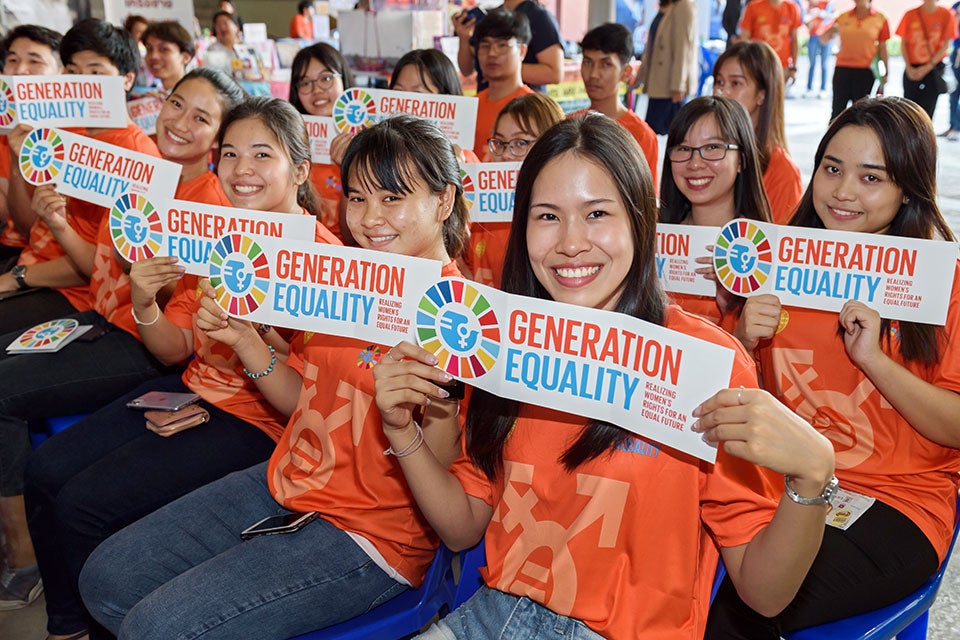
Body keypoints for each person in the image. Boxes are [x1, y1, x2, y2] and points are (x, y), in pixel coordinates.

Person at [374, 113, 835, 639]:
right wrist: (400, 430)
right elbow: (462, 530)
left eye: (597, 214)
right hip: (492, 615)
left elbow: (764, 592)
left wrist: (812, 477)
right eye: (547, 216)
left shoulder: (704, 362)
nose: (570, 243)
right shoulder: (499, 339)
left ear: (641, 219)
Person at [78, 115, 469, 640]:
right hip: (288, 483)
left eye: (392, 198)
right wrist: (247, 342)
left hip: (370, 536)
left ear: (442, 203)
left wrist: (414, 416)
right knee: (106, 578)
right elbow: (300, 398)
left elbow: (447, 489)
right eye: (357, 198)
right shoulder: (349, 284)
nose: (370, 219)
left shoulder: (460, 323)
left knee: (155, 627)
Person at [22, 96, 338, 640]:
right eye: (231, 154)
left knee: (83, 507)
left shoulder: (325, 261)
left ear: (300, 170)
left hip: (263, 425)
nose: (242, 170)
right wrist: (144, 302)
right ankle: (69, 624)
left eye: (262, 154)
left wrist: (257, 342)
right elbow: (173, 349)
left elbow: (323, 392)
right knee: (46, 467)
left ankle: (86, 626)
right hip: (190, 391)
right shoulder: (218, 240)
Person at [705, 96, 960, 638]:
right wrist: (741, 339)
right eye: (832, 168)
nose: (843, 192)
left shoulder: (945, 284)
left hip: (896, 501)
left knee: (745, 612)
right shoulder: (773, 261)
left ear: (908, 189)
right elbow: (726, 402)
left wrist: (873, 360)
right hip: (774, 482)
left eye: (872, 177)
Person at [0, 17, 146, 335]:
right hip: (30, 266)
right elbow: (27, 226)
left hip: (79, 298)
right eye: (73, 72)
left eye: (95, 73)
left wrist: (17, 277)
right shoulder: (58, 133)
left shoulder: (137, 157)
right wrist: (16, 156)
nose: (83, 84)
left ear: (126, 79)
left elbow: (107, 266)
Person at [659, 96, 773, 333]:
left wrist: (730, 308)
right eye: (683, 148)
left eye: (713, 147)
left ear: (742, 160)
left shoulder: (768, 255)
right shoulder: (652, 241)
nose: (695, 163)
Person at [465, 92, 563, 288]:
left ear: (551, 146)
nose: (507, 155)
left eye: (520, 143)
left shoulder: (560, 217)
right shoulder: (477, 208)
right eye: (500, 143)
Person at [713, 41, 802, 224]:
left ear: (762, 94)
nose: (721, 91)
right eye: (719, 82)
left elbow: (778, 246)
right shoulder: (702, 151)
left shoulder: (782, 171)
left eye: (736, 83)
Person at [0, 25, 61, 273]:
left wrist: (17, 163)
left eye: (35, 61)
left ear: (63, 73)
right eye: (12, 60)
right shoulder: (5, 124)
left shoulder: (70, 139)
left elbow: (28, 227)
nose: (20, 70)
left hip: (36, 261)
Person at [572, 22, 658, 180]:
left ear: (626, 73)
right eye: (588, 62)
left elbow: (647, 200)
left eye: (606, 64)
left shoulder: (641, 135)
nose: (593, 74)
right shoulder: (569, 125)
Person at [288, 42, 354, 240]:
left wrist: (351, 167)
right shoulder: (286, 142)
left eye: (326, 78)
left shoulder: (366, 139)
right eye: (306, 82)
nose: (317, 90)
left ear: (344, 79)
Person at [388, 48, 480, 163]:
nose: (404, 104)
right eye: (398, 91)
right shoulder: (376, 152)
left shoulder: (465, 159)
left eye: (417, 94)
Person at [453, 0, 563, 93]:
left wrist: (501, 67)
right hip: (488, 99)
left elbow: (555, 73)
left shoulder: (539, 17)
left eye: (502, 45)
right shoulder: (491, 16)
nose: (492, 53)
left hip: (523, 106)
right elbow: (466, 70)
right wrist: (464, 38)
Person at [471, 8, 536, 159]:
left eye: (502, 45)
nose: (492, 53)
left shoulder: (535, 110)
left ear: (522, 51)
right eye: (485, 45)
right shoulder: (470, 106)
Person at [819, 0, 890, 120]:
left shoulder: (880, 18)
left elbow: (882, 48)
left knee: (860, 113)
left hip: (865, 71)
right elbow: (823, 39)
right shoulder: (843, 17)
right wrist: (831, 31)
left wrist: (885, 72)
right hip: (843, 68)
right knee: (837, 111)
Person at [638, 0, 699, 135]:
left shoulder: (683, 6)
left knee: (674, 135)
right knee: (652, 133)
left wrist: (678, 86)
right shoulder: (666, 6)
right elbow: (651, 48)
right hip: (658, 82)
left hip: (671, 86)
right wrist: (639, 78)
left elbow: (683, 49)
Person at [897, 0, 958, 119]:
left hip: (933, 69)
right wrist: (909, 68)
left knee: (927, 111)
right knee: (908, 110)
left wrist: (927, 67)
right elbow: (903, 43)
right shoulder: (910, 14)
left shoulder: (946, 14)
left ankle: (925, 136)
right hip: (912, 68)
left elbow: (946, 45)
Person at [739, 0, 802, 82]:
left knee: (778, 94)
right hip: (757, 65)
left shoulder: (792, 8)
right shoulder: (753, 7)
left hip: (782, 66)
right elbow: (744, 39)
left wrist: (793, 68)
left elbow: (795, 40)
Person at [141, 21, 196, 95]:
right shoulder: (157, 98)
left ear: (185, 57)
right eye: (149, 49)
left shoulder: (196, 97)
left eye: (164, 49)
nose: (153, 56)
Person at [804, 1, 834, 98]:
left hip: (826, 36)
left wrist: (821, 13)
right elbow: (805, 20)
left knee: (824, 64)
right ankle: (809, 88)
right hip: (813, 36)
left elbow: (833, 17)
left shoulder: (828, 3)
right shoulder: (811, 5)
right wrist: (813, 15)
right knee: (812, 63)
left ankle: (823, 89)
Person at [946, 0, 960, 140]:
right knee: (954, 91)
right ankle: (954, 126)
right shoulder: (956, 7)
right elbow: (952, 31)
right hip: (957, 54)